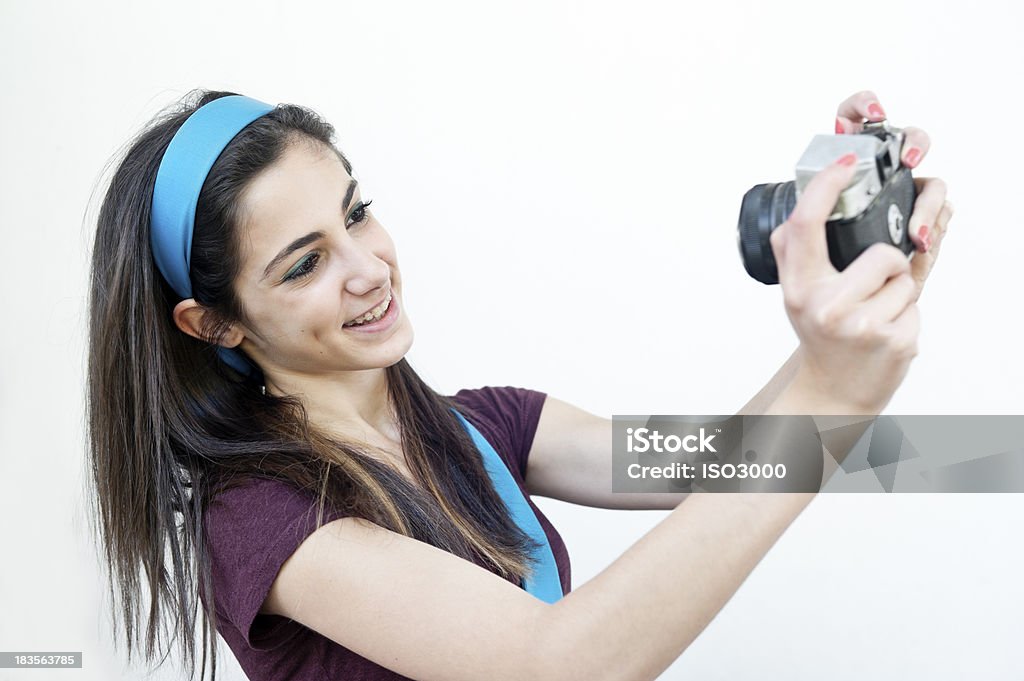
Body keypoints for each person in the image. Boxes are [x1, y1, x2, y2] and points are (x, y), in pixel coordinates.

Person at [85, 88, 952, 681]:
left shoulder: (488, 426)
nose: (368, 268)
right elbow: (557, 661)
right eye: (305, 262)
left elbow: (722, 464)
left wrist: (860, 304)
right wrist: (836, 390)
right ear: (216, 323)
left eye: (356, 213)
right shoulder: (263, 520)